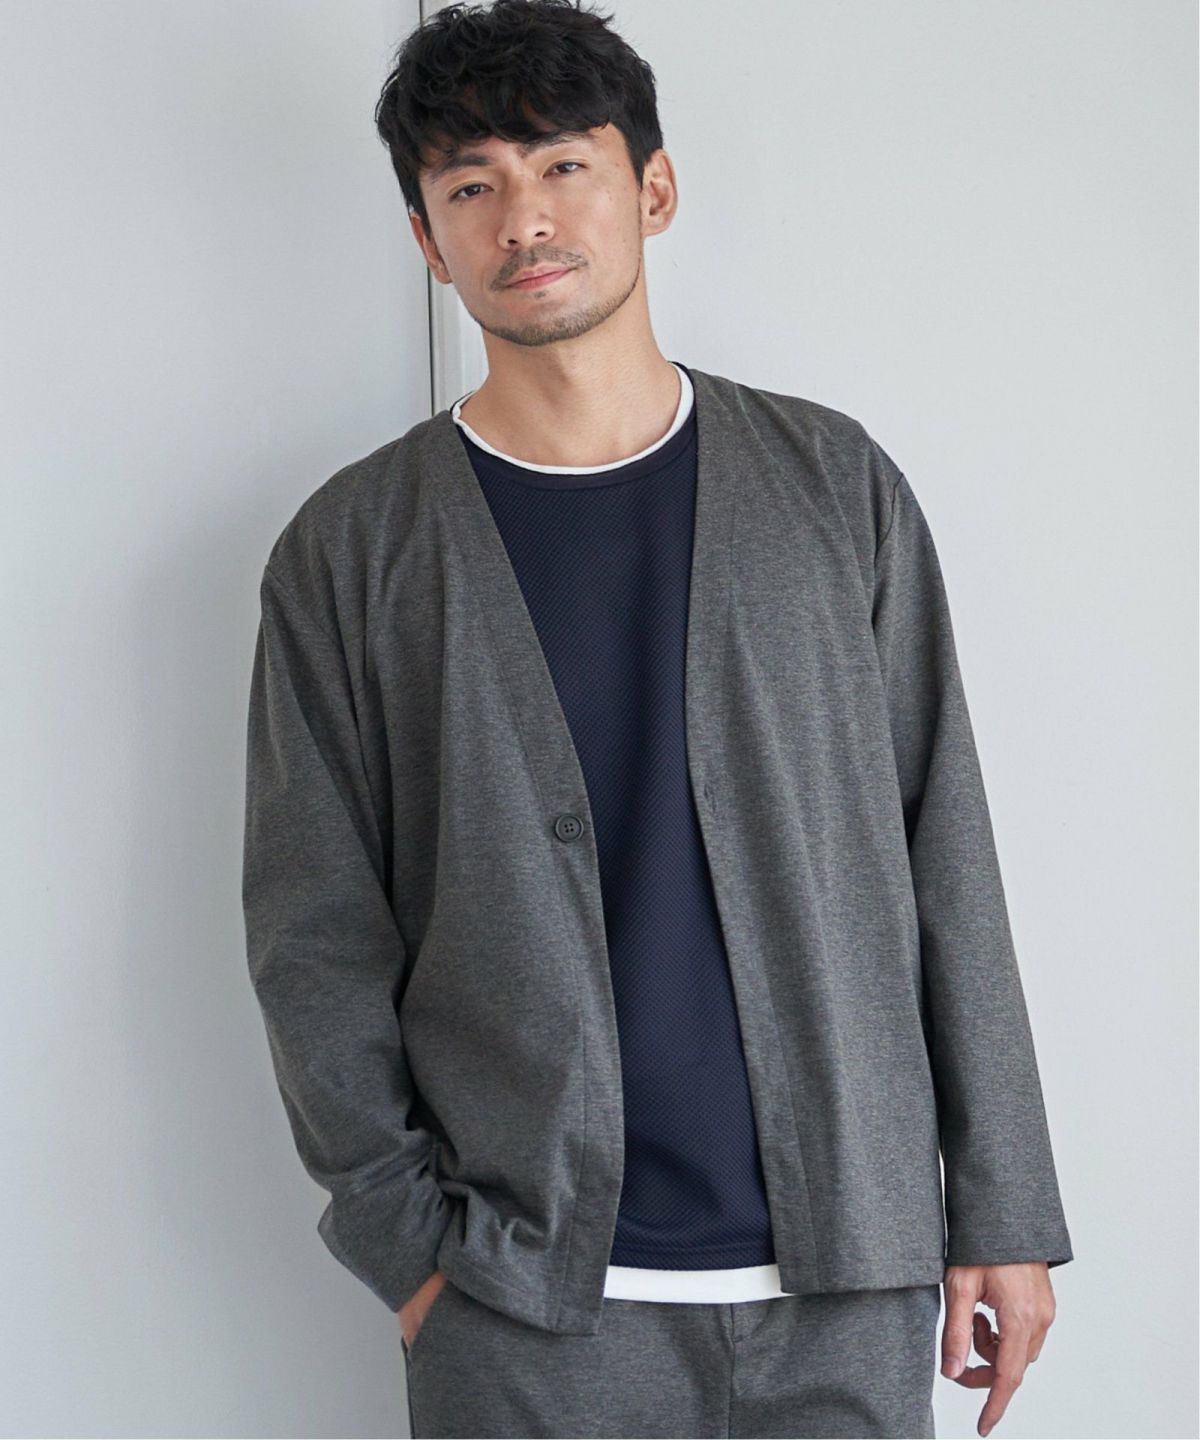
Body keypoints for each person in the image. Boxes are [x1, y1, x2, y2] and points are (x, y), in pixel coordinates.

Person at [241, 2, 1074, 1436]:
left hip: (846, 1286)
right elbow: (312, 932)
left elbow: (944, 844)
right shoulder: (353, 550)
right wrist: (409, 1251)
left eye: (564, 165)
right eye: (471, 186)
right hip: (525, 1305)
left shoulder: (832, 486)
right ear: (428, 240)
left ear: (655, 188)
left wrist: (1002, 1201)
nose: (523, 218)